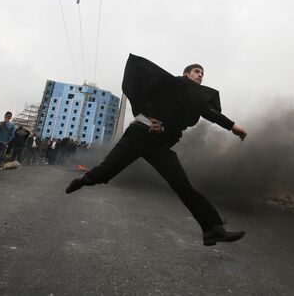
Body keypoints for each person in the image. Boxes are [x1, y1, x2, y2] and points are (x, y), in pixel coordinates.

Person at [66, 54, 248, 246]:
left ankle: (212, 229)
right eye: (196, 71)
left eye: (202, 73)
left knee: (183, 186)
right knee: (105, 172)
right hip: (138, 135)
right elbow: (180, 106)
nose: (200, 75)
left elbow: (202, 111)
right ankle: (83, 181)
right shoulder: (178, 84)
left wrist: (231, 126)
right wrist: (232, 126)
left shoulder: (192, 98)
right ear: (186, 74)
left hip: (158, 144)